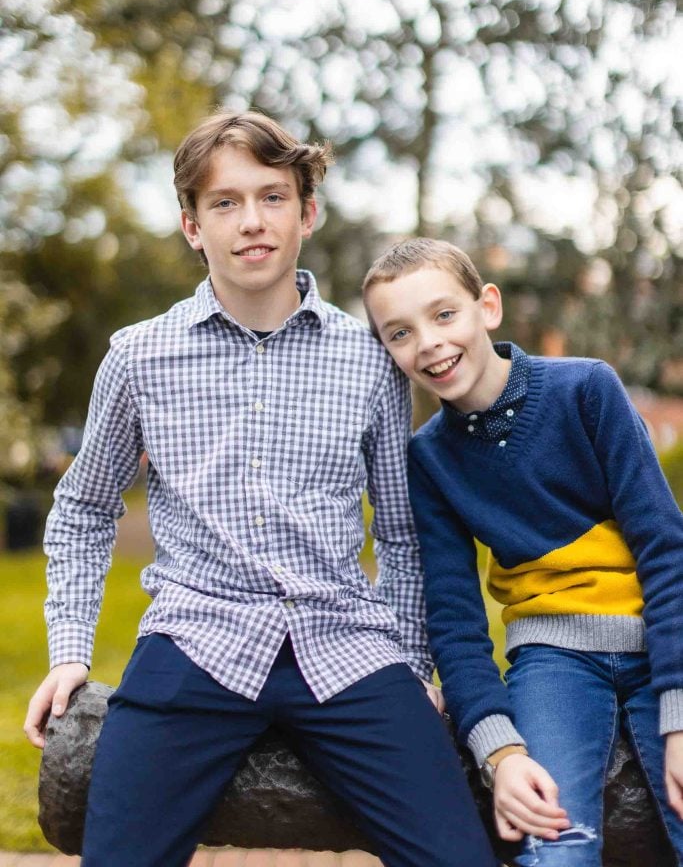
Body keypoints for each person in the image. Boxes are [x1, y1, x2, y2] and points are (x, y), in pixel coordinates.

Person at [24, 114, 497, 867]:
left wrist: (409, 666)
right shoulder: (139, 357)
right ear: (190, 224)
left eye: (272, 197)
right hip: (194, 640)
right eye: (224, 202)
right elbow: (83, 509)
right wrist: (69, 651)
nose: (251, 222)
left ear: (306, 213)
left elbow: (403, 535)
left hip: (345, 643)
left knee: (457, 857)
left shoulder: (368, 360)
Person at [362, 236, 683, 867]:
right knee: (556, 841)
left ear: (488, 306)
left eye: (443, 314)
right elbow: (453, 623)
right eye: (398, 333)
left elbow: (666, 550)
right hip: (552, 659)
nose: (427, 342)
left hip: (658, 640)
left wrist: (680, 714)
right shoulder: (428, 460)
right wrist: (501, 753)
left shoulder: (587, 390)